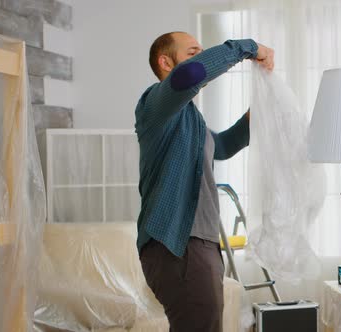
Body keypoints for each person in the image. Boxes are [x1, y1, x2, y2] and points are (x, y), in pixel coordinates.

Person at [134, 31, 274, 331]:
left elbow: (221, 146)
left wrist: (253, 118)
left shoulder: (189, 119)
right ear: (166, 62)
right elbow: (194, 73)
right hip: (178, 246)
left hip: (199, 244)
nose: (200, 57)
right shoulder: (155, 104)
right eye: (192, 51)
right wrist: (249, 47)